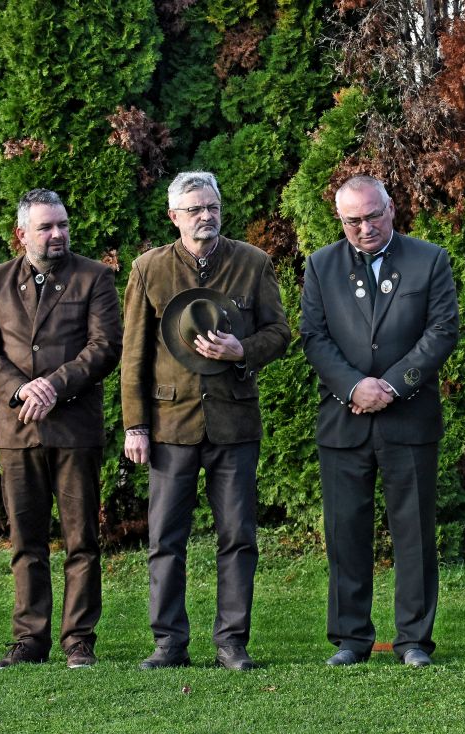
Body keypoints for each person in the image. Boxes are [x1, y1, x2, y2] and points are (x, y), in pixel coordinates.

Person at [121, 171, 291, 671]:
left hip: (234, 423)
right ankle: (168, 643)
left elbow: (280, 333)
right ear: (173, 217)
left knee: (238, 536)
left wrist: (243, 350)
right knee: (164, 539)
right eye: (194, 209)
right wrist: (135, 426)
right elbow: (133, 355)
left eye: (212, 207)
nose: (205, 216)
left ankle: (231, 643)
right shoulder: (148, 269)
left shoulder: (253, 263)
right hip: (169, 425)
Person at [300, 175, 459, 669]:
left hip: (409, 420)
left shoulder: (429, 259)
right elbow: (314, 337)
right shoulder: (321, 265)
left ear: (390, 208)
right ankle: (350, 638)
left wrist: (390, 386)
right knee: (345, 532)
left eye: (373, 216)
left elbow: (441, 331)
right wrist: (354, 387)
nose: (365, 227)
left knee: (414, 532)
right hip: (344, 421)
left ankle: (414, 639)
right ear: (340, 220)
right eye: (353, 221)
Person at [0, 189, 122, 669]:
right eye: (46, 227)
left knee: (82, 540)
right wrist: (22, 390)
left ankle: (79, 640)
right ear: (22, 234)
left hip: (75, 429)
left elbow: (105, 347)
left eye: (62, 224)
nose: (58, 234)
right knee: (26, 542)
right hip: (18, 430)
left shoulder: (94, 276)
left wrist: (54, 386)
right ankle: (29, 640)